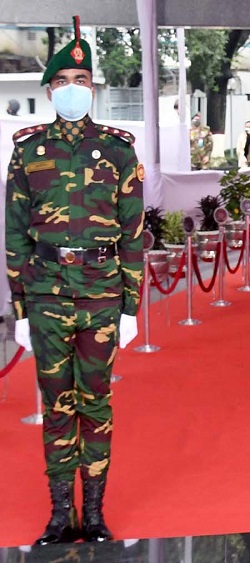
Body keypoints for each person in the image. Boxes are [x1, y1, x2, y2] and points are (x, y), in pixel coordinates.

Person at [5, 16, 144, 544]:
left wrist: (132, 308)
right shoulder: (27, 151)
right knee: (56, 405)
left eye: (82, 83)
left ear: (94, 90)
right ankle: (61, 515)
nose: (73, 91)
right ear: (49, 90)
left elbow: (134, 233)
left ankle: (96, 513)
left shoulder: (118, 149)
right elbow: (15, 234)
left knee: (97, 403)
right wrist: (19, 309)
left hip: (102, 293)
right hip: (44, 295)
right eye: (63, 83)